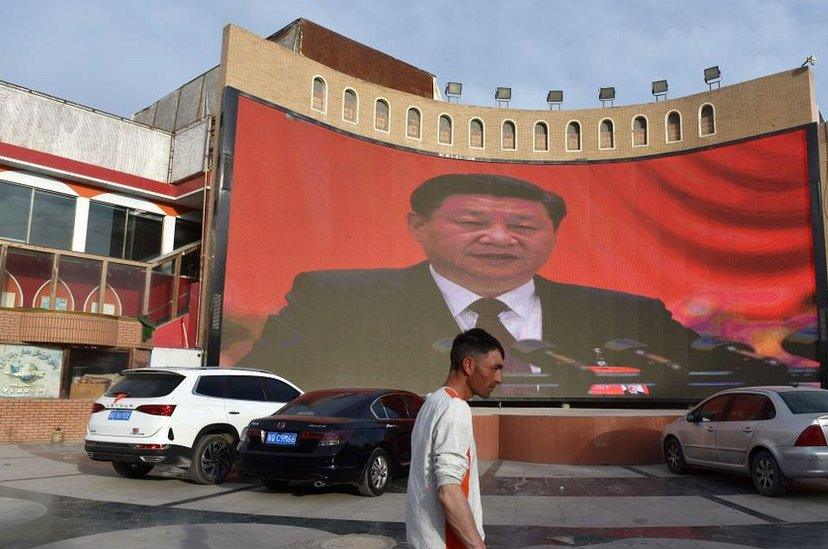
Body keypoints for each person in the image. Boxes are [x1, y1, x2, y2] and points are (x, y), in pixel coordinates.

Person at [240, 173, 782, 397]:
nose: (499, 239)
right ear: (417, 227)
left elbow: (721, 369)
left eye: (522, 226)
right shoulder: (334, 299)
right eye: (473, 222)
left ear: (552, 237)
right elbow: (267, 384)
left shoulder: (626, 312)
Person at [406, 328, 503, 549]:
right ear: (469, 365)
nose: (499, 378)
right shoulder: (455, 408)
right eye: (495, 368)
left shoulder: (432, 402)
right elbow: (449, 491)